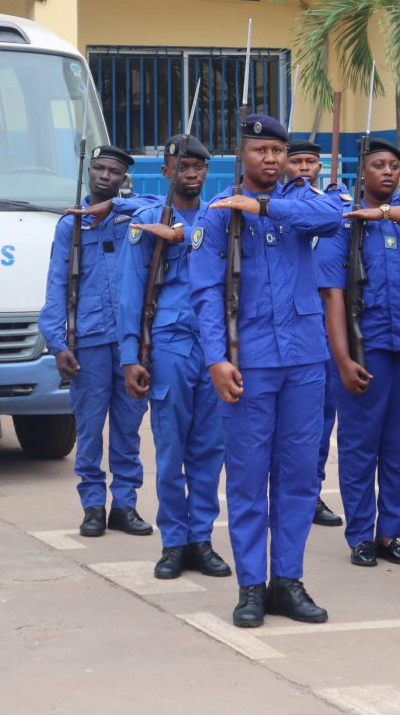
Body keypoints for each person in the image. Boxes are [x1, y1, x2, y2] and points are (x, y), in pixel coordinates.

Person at [189, 113, 340, 628]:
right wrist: (216, 358)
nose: (271, 159)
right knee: (249, 479)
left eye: (278, 151)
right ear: (243, 155)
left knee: (297, 477)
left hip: (304, 359)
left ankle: (288, 581)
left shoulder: (301, 202)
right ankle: (251, 586)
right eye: (261, 151)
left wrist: (266, 206)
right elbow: (205, 293)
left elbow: (333, 217)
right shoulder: (218, 213)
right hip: (248, 361)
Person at [117, 135, 231, 580]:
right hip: (169, 344)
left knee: (210, 448)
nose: (191, 173)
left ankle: (201, 539)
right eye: (182, 166)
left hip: (213, 346)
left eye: (198, 166)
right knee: (170, 449)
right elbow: (131, 292)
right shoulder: (148, 222)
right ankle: (174, 542)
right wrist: (130, 355)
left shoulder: (218, 218)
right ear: (166, 171)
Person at [315, 138, 400, 568]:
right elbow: (332, 297)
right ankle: (361, 533)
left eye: (394, 166)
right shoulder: (345, 223)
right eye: (379, 165)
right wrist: (342, 359)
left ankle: (389, 533)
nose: (388, 172)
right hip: (365, 350)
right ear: (362, 171)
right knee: (360, 447)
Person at [40, 145, 153, 539]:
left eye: (114, 171)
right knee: (89, 427)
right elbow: (56, 284)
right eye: (100, 169)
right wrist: (57, 343)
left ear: (124, 178)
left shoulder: (136, 215)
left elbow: (163, 204)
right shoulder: (70, 225)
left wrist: (114, 207)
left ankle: (124, 505)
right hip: (88, 340)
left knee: (128, 427)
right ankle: (92, 505)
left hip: (131, 342)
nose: (105, 176)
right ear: (89, 171)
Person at [286, 137, 345, 529]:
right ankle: (285, 492)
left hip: (327, 323)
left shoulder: (333, 204)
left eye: (311, 161)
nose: (304, 168)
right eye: (297, 162)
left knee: (321, 419)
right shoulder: (277, 205)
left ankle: (312, 492)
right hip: (290, 323)